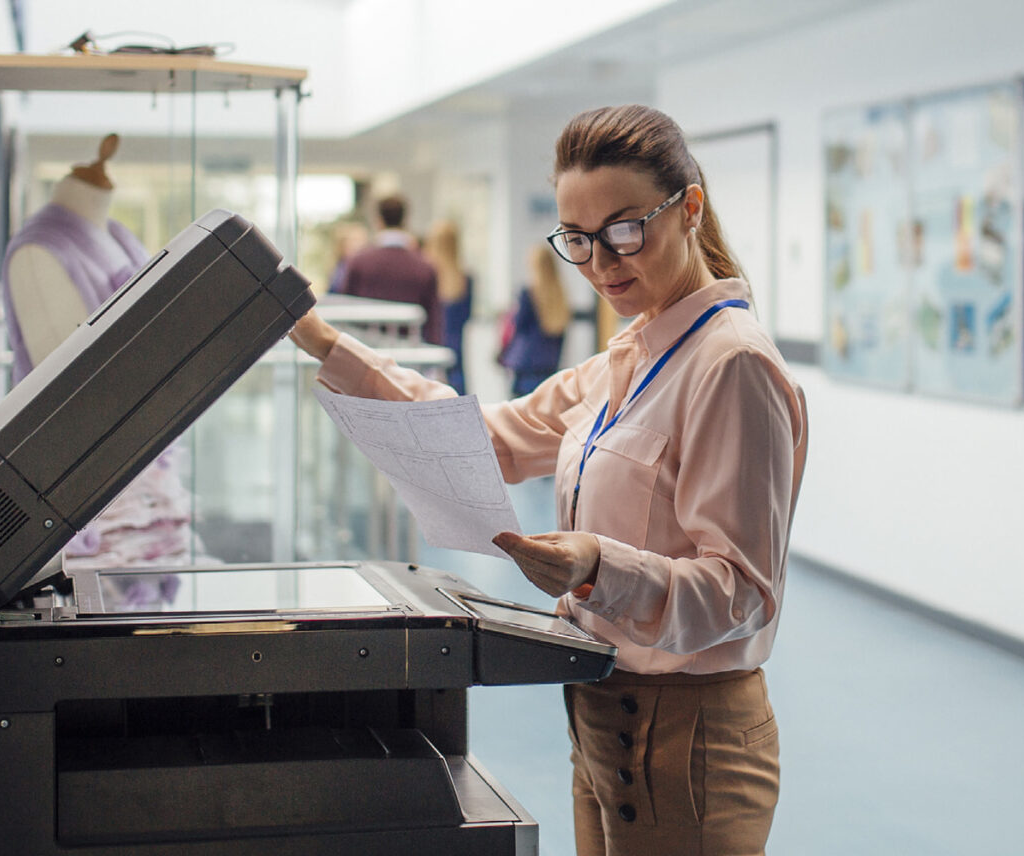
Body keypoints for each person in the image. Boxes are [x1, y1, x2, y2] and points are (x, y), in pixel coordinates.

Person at [287, 104, 805, 856]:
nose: (602, 263)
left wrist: (599, 566)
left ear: (690, 208)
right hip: (600, 715)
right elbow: (484, 439)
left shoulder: (731, 366)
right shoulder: (629, 358)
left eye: (626, 230)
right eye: (578, 240)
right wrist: (324, 342)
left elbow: (741, 594)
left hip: (688, 739)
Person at [0, 133, 193, 571]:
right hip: (90, 495)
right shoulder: (38, 251)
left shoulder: (120, 236)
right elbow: (73, 394)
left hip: (151, 483)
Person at [330, 195, 443, 344]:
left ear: (378, 220)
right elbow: (434, 321)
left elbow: (346, 310)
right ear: (405, 220)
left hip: (367, 352)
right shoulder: (425, 267)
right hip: (410, 355)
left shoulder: (358, 263)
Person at [500, 244, 572, 396]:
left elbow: (518, 325)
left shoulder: (528, 294)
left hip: (525, 364)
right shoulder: (561, 296)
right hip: (549, 365)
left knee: (519, 414)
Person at [425, 219, 475, 391]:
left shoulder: (428, 278)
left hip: (431, 346)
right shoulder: (465, 279)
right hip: (455, 348)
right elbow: (467, 315)